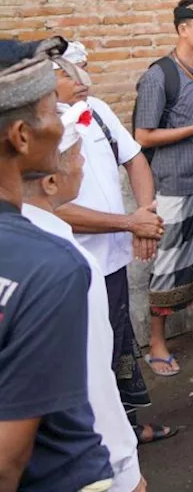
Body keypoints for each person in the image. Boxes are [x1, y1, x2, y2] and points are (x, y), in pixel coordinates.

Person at [0, 37, 113, 492]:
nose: (60, 122)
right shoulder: (48, 265)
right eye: (51, 109)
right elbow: (7, 461)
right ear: (22, 136)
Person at [50, 43, 173, 446]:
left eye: (83, 69)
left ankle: (129, 430)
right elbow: (51, 205)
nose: (83, 80)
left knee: (119, 346)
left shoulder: (98, 110)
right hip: (71, 267)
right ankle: (96, 443)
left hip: (112, 262)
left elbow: (135, 158)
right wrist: (127, 222)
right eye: (69, 73)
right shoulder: (40, 131)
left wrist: (144, 213)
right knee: (85, 358)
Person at [22, 101, 145, 491]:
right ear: (51, 182)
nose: (84, 166)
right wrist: (126, 471)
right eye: (77, 157)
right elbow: (92, 384)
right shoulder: (66, 262)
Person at [133, 0, 193, 376]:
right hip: (174, 184)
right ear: (183, 29)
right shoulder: (160, 76)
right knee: (170, 265)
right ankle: (157, 342)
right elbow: (143, 136)